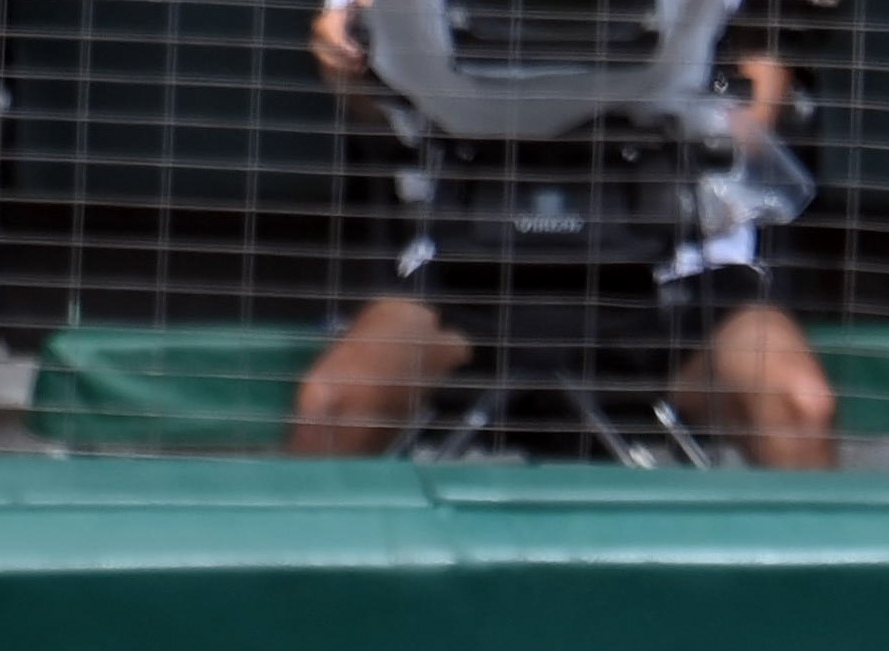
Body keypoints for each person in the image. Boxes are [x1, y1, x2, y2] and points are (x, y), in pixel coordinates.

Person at [290, 0, 839, 466]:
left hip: (683, 271)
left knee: (797, 404)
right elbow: (367, 87)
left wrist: (674, 103)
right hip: (474, 267)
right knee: (332, 403)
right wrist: (347, 53)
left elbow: (758, 97)